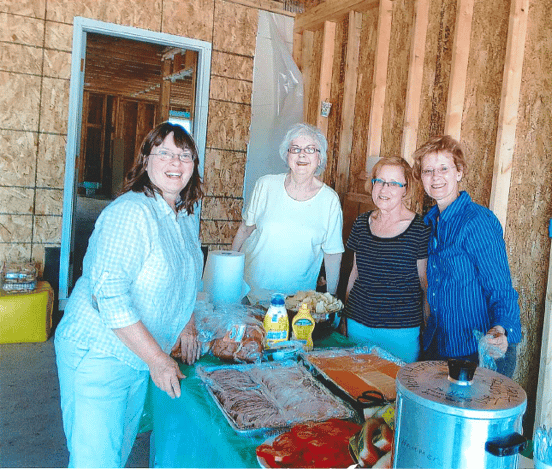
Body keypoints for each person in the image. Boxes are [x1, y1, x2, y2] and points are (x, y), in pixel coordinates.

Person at [54, 122, 204, 467]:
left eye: (184, 155)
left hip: (137, 354)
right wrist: (158, 359)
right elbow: (111, 297)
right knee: (96, 459)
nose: (175, 162)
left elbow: (186, 279)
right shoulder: (130, 213)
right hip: (99, 354)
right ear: (146, 160)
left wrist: (187, 324)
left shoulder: (180, 214)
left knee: (117, 449)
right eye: (164, 152)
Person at [413, 135, 522, 377]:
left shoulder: (476, 221)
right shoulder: (431, 223)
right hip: (442, 346)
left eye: (444, 168)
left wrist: (501, 331)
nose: (435, 177)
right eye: (428, 171)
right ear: (421, 178)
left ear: (459, 172)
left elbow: (501, 288)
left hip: (480, 353)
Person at [232, 123, 344, 298]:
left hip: (297, 301)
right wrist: (231, 274)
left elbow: (333, 255)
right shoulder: (265, 185)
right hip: (250, 292)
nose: (302, 155)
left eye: (310, 149)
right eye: (295, 149)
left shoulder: (329, 200)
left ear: (320, 158)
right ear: (287, 155)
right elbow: (245, 230)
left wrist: (330, 298)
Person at [343, 156, 430, 363]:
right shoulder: (362, 222)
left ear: (405, 189)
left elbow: (424, 283)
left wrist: (426, 328)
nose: (384, 189)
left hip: (400, 333)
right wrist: (345, 315)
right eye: (379, 181)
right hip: (358, 325)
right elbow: (355, 272)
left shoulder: (419, 229)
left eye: (393, 184)